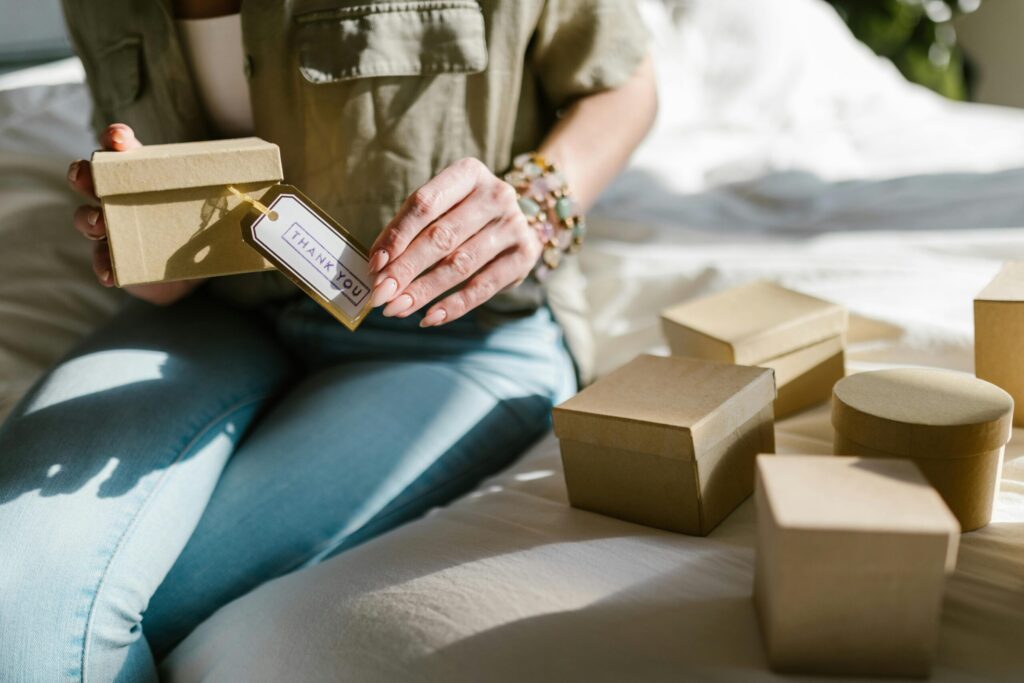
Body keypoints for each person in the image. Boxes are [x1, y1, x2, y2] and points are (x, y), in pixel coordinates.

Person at [0, 0, 656, 680]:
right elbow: (160, 220)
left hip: (444, 334)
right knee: (18, 597)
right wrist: (142, 233)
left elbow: (624, 82)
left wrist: (538, 203)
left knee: (108, 614)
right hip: (214, 311)